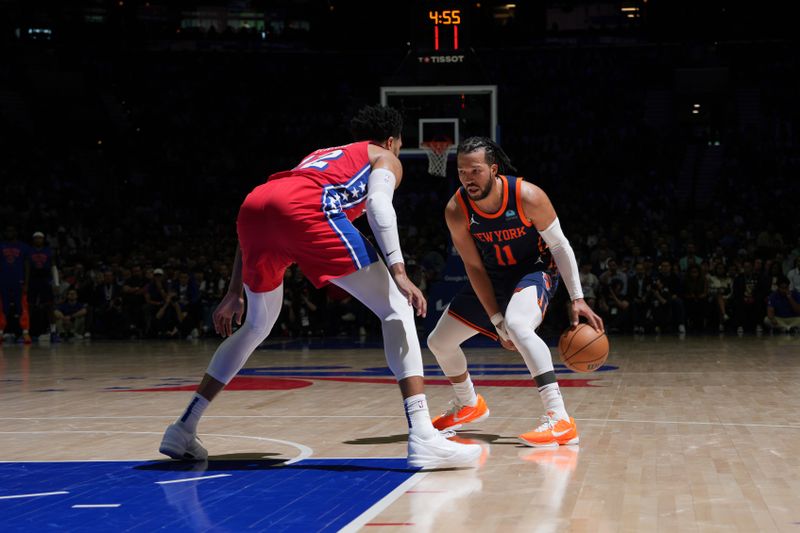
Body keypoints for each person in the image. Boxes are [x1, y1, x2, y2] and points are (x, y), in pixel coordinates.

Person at [159, 105, 480, 468]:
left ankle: (183, 427)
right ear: (392, 141)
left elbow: (270, 206)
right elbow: (377, 205)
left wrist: (234, 291)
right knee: (397, 307)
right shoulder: (384, 156)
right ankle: (423, 435)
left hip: (255, 207)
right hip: (306, 211)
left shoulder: (319, 156)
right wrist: (399, 271)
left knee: (254, 326)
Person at [426, 137, 603, 448]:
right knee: (439, 342)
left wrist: (577, 298)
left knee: (519, 325)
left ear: (493, 170)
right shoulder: (456, 209)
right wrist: (495, 318)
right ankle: (468, 404)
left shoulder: (527, 196)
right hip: (492, 277)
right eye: (462, 171)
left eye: (476, 171)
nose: (468, 178)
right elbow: (475, 268)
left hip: (534, 271)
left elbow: (560, 246)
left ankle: (560, 419)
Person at [0, 226, 31, 344]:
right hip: (3, 281)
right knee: (2, 307)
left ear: (16, 232)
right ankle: (0, 332)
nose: (9, 232)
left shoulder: (23, 247)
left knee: (22, 306)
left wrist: (26, 282)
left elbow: (27, 265)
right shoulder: (1, 246)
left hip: (19, 281)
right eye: (7, 230)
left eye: (12, 230)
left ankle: (25, 332)